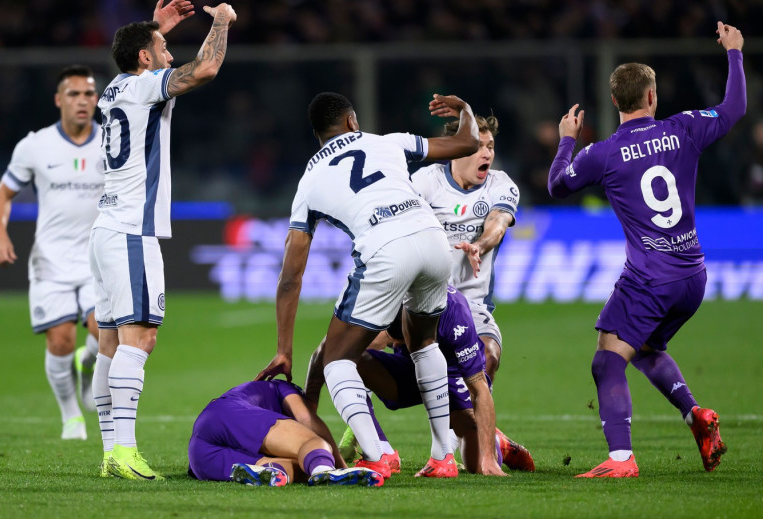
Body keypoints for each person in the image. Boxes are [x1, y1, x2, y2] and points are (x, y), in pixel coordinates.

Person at [547, 21, 745, 478]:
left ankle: (621, 459)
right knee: (647, 346)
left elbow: (557, 185)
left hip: (649, 278)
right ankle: (696, 415)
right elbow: (734, 108)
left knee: (607, 359)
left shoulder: (603, 153)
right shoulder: (685, 128)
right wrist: (734, 51)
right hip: (693, 277)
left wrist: (567, 140)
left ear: (614, 101)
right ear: (652, 96)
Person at [256, 91, 480, 481]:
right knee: (424, 342)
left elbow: (291, 276)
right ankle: (442, 457)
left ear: (318, 135)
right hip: (433, 239)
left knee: (336, 360)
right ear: (352, 121)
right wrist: (465, 110)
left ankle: (378, 457)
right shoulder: (387, 141)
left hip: (385, 249)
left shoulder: (309, 181)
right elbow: (467, 143)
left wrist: (283, 350)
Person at [89, 0, 233, 481]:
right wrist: (221, 20)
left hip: (106, 229)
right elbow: (206, 69)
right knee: (141, 339)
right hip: (132, 231)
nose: (171, 55)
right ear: (144, 58)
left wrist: (155, 27)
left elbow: (150, 58)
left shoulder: (114, 89)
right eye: (164, 47)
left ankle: (111, 451)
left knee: (110, 344)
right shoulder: (142, 87)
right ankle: (125, 450)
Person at [305, 286, 535, 476]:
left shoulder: (455, 317)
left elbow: (479, 389)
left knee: (476, 465)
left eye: (400, 341)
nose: (396, 345)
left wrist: (488, 460)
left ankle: (495, 441)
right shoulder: (380, 304)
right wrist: (308, 408)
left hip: (450, 373)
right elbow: (329, 349)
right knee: (349, 359)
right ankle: (380, 451)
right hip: (410, 370)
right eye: (393, 341)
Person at [0, 64, 104, 440]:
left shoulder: (111, 141)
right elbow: (3, 195)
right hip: (51, 261)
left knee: (104, 333)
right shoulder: (35, 146)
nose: (82, 101)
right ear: (58, 100)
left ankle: (88, 366)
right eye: (74, 94)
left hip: (98, 259)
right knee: (60, 340)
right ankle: (71, 415)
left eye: (88, 93)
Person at [411, 114, 520, 381]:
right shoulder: (425, 181)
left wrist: (478, 246)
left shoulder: (500, 184)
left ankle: (476, 409)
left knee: (488, 353)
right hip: (421, 301)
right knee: (367, 343)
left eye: (490, 147)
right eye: (477, 147)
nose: (486, 154)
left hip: (471, 304)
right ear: (456, 151)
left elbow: (498, 223)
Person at [188, 380, 384, 487]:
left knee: (291, 470)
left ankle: (264, 471)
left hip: (199, 456)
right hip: (227, 414)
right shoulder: (283, 387)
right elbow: (306, 418)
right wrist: (338, 464)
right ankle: (325, 471)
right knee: (312, 443)